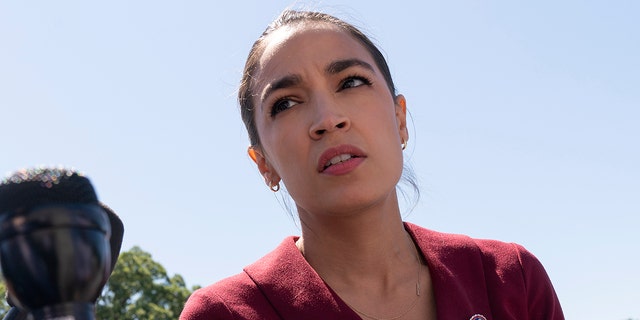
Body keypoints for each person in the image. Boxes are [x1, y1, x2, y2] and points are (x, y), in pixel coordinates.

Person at [180, 9, 564, 320]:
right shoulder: (225, 313)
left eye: (350, 82)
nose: (328, 119)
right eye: (286, 103)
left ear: (399, 119)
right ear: (263, 164)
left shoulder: (511, 279)